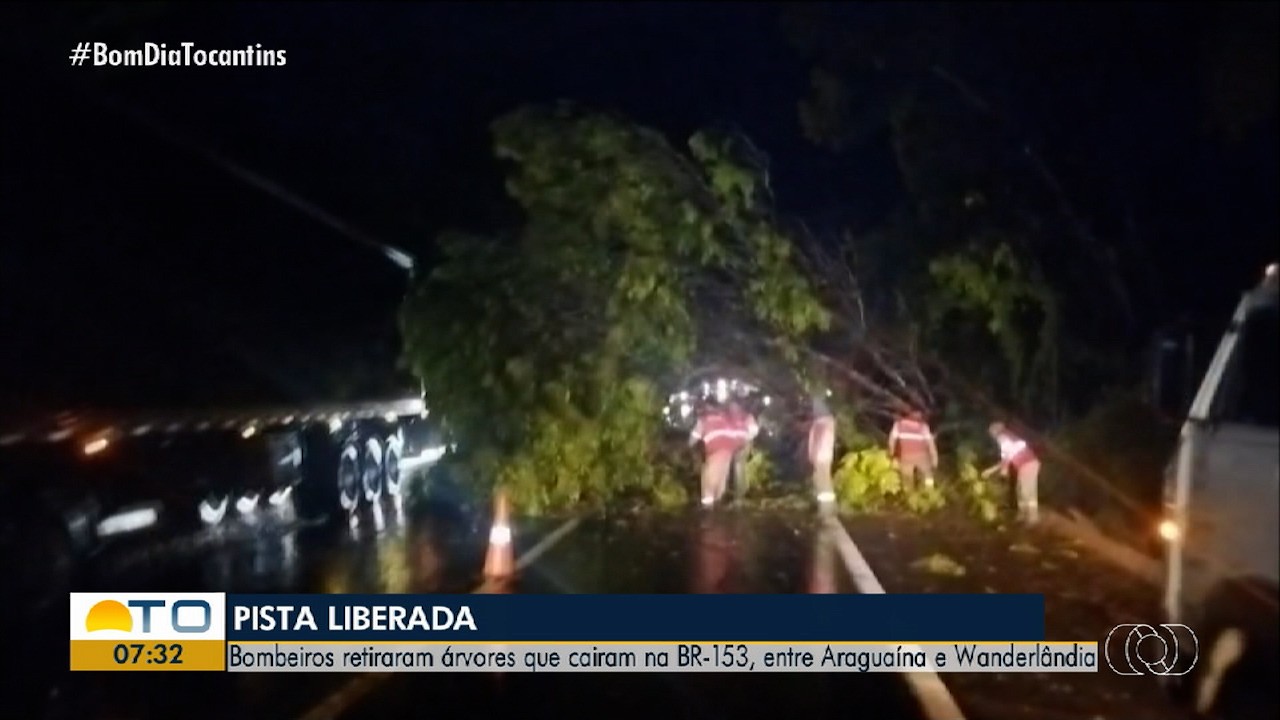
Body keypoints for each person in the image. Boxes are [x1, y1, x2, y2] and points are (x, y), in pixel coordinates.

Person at [689, 403, 750, 508]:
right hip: (729, 451)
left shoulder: (704, 420)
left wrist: (689, 446)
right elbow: (740, 433)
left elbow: (693, 439)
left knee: (708, 482)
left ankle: (708, 509)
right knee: (721, 480)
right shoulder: (725, 418)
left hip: (715, 452)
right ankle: (718, 502)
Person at [982, 421, 1041, 524]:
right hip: (1024, 466)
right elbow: (1004, 460)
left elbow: (1008, 457)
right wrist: (990, 471)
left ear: (997, 432)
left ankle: (1033, 517)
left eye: (992, 432)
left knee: (1027, 491)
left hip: (1029, 464)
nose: (992, 435)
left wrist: (1003, 470)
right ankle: (1022, 515)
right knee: (1020, 491)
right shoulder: (1006, 440)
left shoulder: (1004, 438)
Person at [888, 408, 938, 491]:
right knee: (928, 475)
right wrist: (934, 459)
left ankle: (910, 495)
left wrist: (892, 456)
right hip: (922, 456)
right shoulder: (923, 426)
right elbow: (930, 444)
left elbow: (891, 441)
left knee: (907, 480)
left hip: (906, 456)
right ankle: (929, 492)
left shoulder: (899, 425)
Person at [807, 393, 837, 505]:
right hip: (825, 456)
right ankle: (826, 505)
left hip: (821, 456)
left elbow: (817, 441)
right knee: (823, 479)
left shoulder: (821, 424)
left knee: (822, 480)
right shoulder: (827, 423)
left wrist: (813, 454)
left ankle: (826, 507)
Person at [727, 401, 760, 500]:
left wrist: (745, 439)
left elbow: (754, 431)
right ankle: (741, 489)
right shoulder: (731, 419)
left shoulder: (747, 417)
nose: (732, 410)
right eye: (731, 408)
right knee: (738, 467)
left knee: (739, 467)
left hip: (743, 445)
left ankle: (741, 491)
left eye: (734, 407)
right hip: (735, 446)